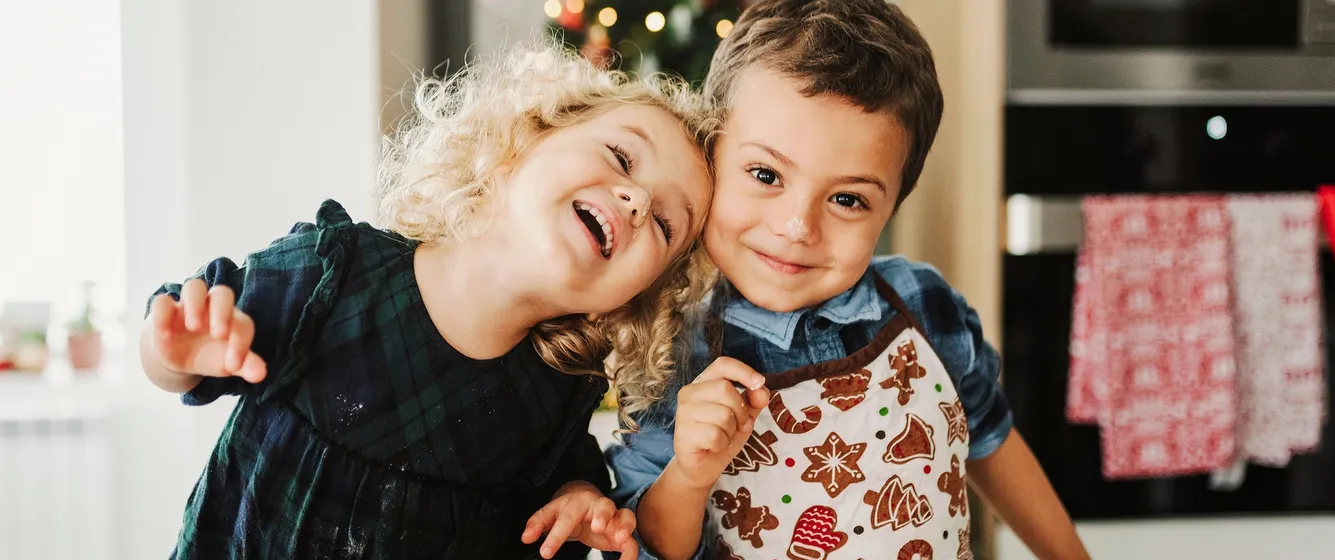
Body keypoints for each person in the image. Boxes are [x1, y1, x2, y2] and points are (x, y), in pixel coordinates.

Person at [140, 43, 716, 559]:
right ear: (526, 136)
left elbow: (567, 486)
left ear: (631, 298)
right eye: (621, 156)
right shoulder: (334, 272)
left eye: (666, 225)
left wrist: (578, 500)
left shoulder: (560, 388)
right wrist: (174, 354)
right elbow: (182, 354)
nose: (637, 199)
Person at [606, 1, 1091, 558]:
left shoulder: (922, 304)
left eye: (847, 199)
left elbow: (990, 440)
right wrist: (688, 476)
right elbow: (645, 541)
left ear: (891, 207)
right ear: (712, 155)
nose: (797, 227)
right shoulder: (670, 353)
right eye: (766, 174)